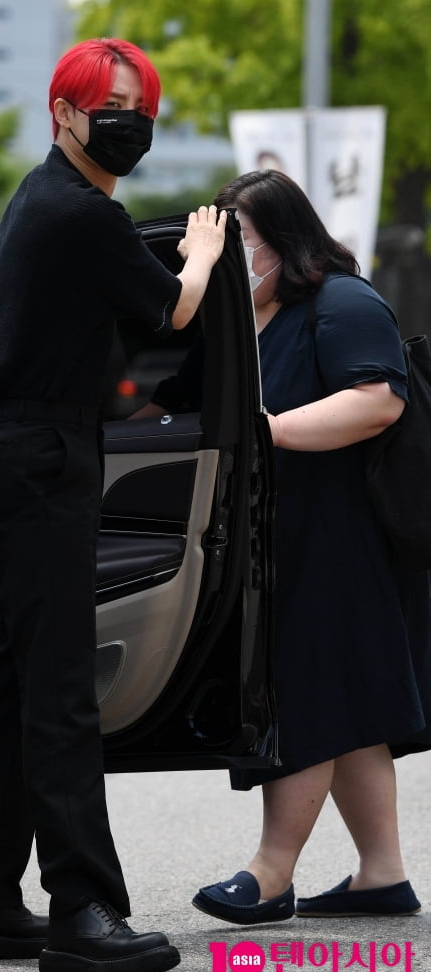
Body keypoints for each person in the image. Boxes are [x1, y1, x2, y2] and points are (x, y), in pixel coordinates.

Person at [0, 37, 226, 972]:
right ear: (63, 112)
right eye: (111, 103)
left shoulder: (37, 196)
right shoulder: (85, 214)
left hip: (23, 455)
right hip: (43, 458)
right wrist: (208, 250)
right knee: (59, 696)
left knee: (17, 688)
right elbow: (173, 313)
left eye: (141, 103)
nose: (129, 120)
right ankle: (82, 910)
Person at [138, 169, 431, 925]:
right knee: (347, 704)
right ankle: (381, 876)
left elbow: (377, 401)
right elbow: (181, 402)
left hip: (339, 537)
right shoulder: (244, 321)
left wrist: (263, 429)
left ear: (286, 241)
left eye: (240, 242)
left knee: (300, 693)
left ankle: (270, 873)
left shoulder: (341, 302)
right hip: (278, 535)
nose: (231, 258)